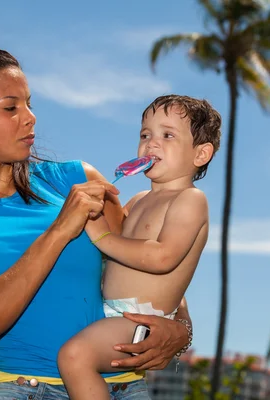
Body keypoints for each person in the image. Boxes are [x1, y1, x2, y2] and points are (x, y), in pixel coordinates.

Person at [0, 45, 193, 400]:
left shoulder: (76, 179)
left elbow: (149, 276)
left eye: (29, 104)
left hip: (122, 389)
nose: (30, 117)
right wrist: (59, 231)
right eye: (11, 108)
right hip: (21, 390)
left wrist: (181, 332)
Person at [57, 95, 221, 400]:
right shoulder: (136, 201)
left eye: (168, 135)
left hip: (139, 317)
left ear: (201, 154)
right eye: (145, 135)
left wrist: (102, 237)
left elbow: (162, 257)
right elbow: (113, 253)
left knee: (74, 357)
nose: (151, 143)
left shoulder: (190, 200)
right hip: (110, 313)